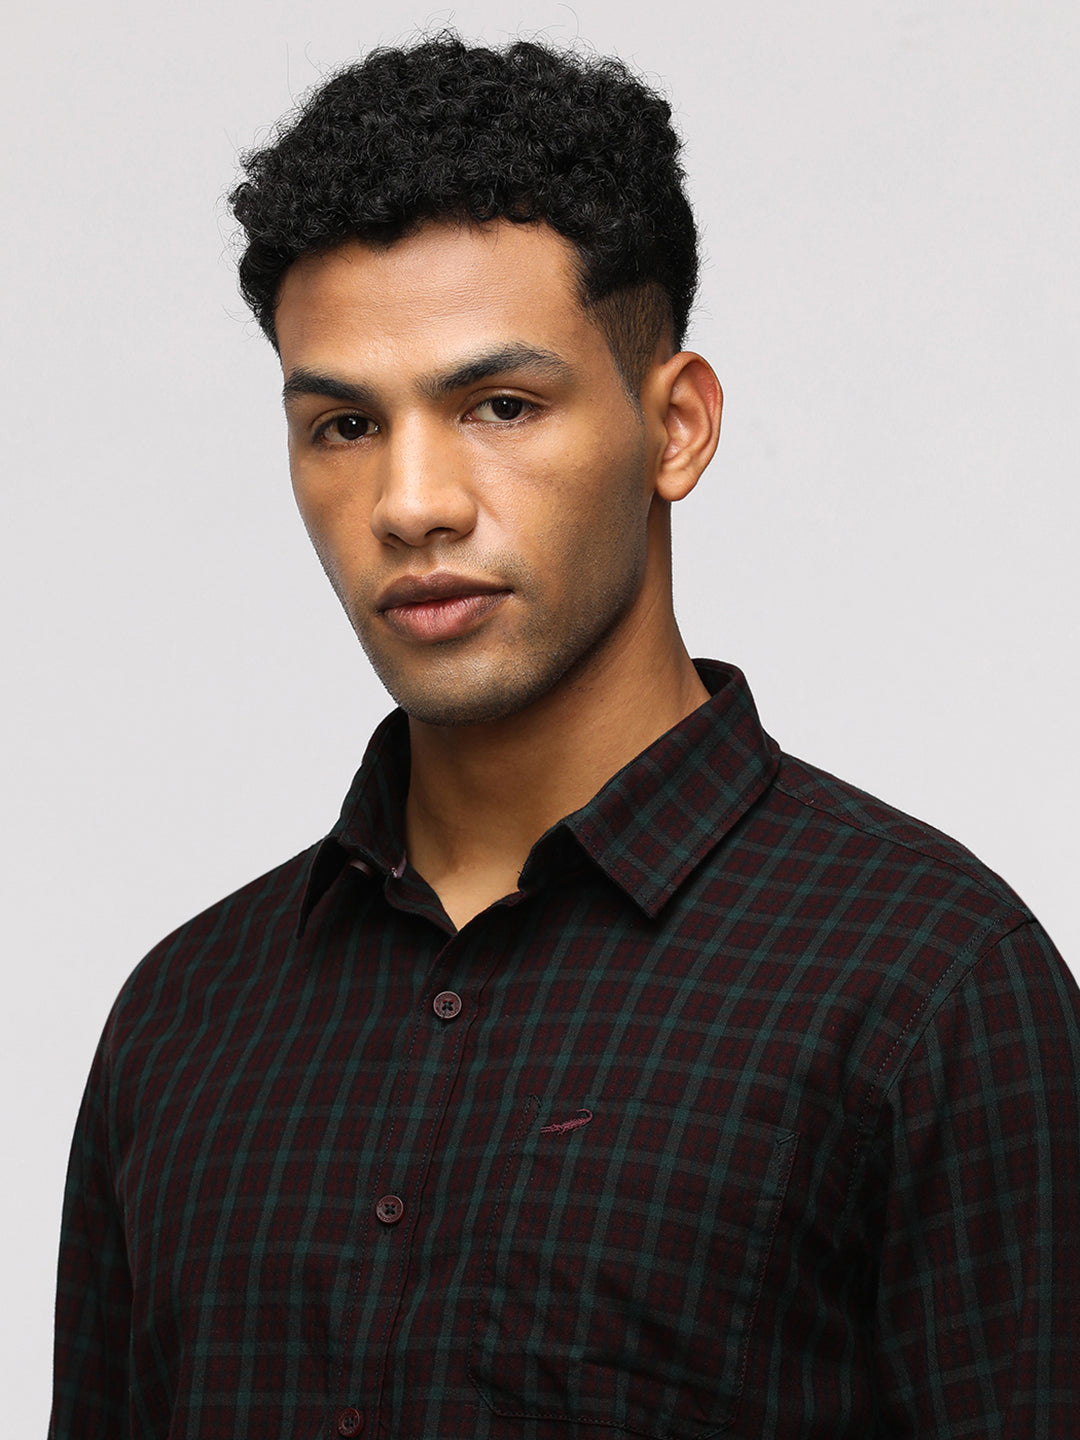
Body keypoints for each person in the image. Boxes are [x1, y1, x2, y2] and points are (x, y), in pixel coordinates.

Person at [50, 33, 1079, 1440]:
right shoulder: (183, 1021)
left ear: (677, 428)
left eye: (500, 407)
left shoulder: (930, 989)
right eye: (344, 424)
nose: (412, 502)